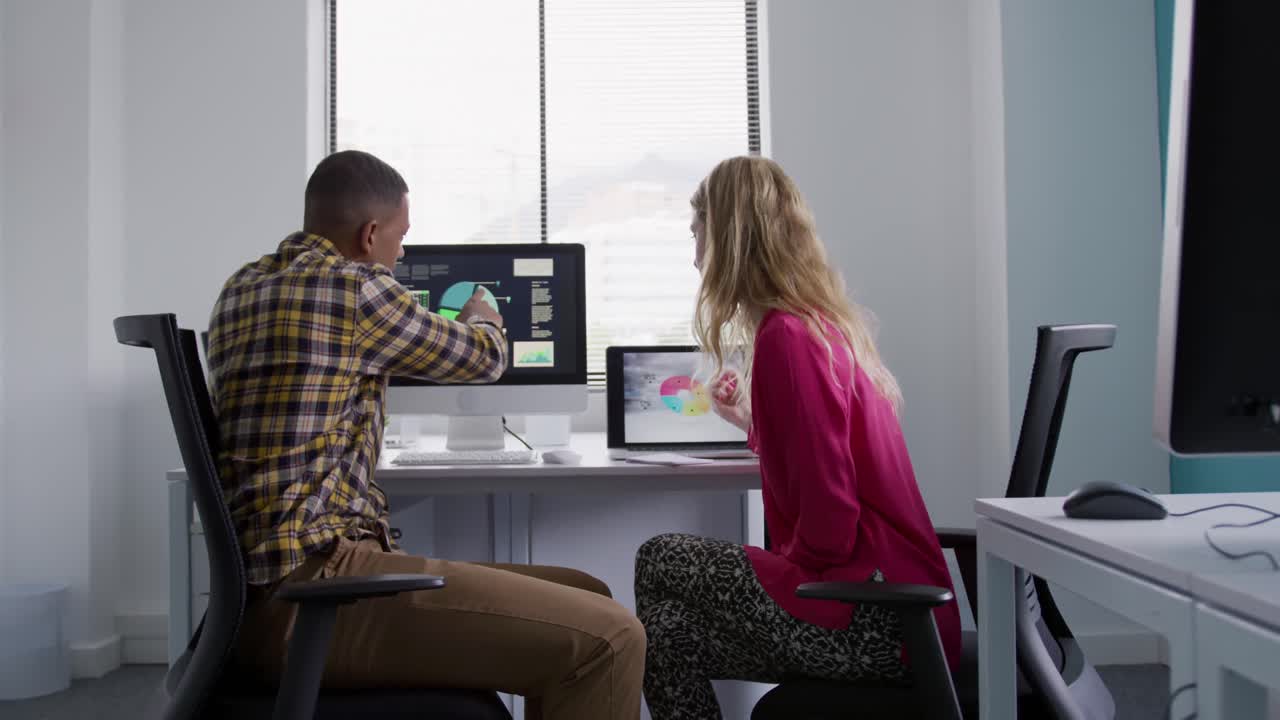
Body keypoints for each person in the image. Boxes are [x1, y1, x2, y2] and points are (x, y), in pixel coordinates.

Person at [208, 150, 644, 720]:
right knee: (614, 640)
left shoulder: (242, 286)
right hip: (315, 596)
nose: (403, 253)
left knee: (587, 592)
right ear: (369, 235)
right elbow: (484, 357)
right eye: (400, 237)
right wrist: (484, 312)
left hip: (256, 601)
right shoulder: (356, 289)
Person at [633, 156, 961, 719]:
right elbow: (823, 465)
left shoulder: (790, 338)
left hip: (870, 615)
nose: (695, 258)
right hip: (894, 613)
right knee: (665, 634)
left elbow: (831, 529)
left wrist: (779, 576)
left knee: (659, 557)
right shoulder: (816, 325)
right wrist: (748, 423)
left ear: (730, 238)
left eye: (698, 235)